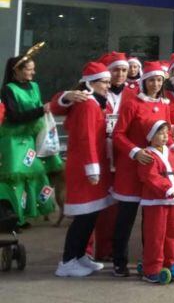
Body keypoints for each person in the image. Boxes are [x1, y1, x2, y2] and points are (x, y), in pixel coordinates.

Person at [109, 61, 170, 276]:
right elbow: (118, 135)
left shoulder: (165, 104)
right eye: (151, 80)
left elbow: (166, 136)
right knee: (125, 218)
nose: (155, 84)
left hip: (154, 172)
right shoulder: (132, 103)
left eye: (159, 80)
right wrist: (136, 152)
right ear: (144, 81)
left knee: (152, 220)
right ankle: (119, 261)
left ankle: (150, 260)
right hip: (131, 169)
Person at [55, 62, 114, 278]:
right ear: (91, 83)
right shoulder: (89, 105)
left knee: (90, 216)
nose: (108, 86)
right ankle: (68, 260)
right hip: (85, 168)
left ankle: (79, 256)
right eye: (104, 82)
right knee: (83, 217)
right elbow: (86, 137)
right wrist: (92, 169)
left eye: (108, 82)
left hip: (90, 165)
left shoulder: (96, 104)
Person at [0, 52, 62, 227]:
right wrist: (41, 110)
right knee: (15, 179)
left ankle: (25, 215)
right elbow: (13, 116)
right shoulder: (8, 89)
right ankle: (11, 217)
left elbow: (37, 110)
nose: (32, 73)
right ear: (16, 71)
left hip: (31, 138)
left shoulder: (34, 86)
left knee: (33, 176)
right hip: (13, 141)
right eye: (28, 69)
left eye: (33, 69)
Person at [137, 119, 174, 284]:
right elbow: (150, 177)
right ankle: (152, 268)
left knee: (173, 234)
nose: (164, 137)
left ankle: (172, 263)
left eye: (165, 133)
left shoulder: (170, 153)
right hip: (156, 202)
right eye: (160, 133)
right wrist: (169, 190)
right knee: (156, 235)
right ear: (150, 136)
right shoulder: (148, 155)